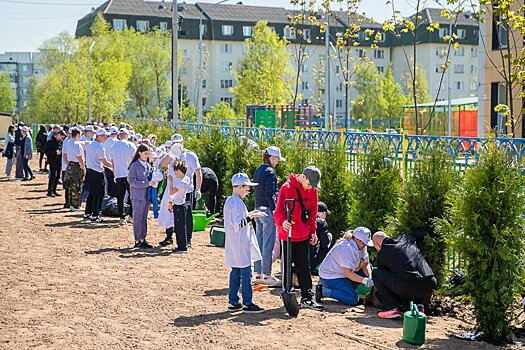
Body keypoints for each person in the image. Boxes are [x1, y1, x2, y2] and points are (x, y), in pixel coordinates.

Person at [274, 165, 323, 311]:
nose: (310, 188)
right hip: (287, 236)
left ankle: (307, 297)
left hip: (303, 235)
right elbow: (278, 213)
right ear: (303, 177)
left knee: (304, 267)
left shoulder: (313, 190)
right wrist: (283, 222)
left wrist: (313, 231)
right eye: (309, 183)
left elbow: (313, 213)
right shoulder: (286, 188)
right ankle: (287, 292)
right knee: (287, 267)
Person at [224, 173, 266, 314]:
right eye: (247, 188)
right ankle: (247, 302)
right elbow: (238, 223)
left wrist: (250, 213)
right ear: (240, 187)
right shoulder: (235, 202)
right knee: (246, 273)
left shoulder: (232, 201)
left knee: (235, 272)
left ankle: (233, 301)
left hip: (235, 243)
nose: (248, 191)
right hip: (239, 244)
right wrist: (251, 215)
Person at [371, 231, 437, 319]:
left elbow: (383, 274)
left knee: (376, 273)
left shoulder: (383, 253)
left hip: (408, 288)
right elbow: (421, 232)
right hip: (430, 284)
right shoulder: (406, 239)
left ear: (377, 244)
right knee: (414, 275)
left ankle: (392, 308)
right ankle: (418, 306)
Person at [161, 134, 202, 247]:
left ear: (183, 143)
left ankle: (187, 239)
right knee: (170, 213)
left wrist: (198, 189)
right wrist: (171, 153)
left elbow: (198, 173)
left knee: (187, 216)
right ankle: (169, 236)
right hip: (172, 190)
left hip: (186, 190)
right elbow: (163, 164)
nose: (176, 145)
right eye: (174, 143)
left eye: (178, 143)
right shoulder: (171, 155)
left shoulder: (190, 155)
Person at [315, 227, 374, 306]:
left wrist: (370, 277)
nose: (365, 245)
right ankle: (321, 291)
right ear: (356, 239)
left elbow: (365, 265)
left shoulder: (362, 245)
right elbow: (348, 273)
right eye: (363, 243)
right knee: (352, 299)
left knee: (370, 267)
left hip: (342, 274)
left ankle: (346, 292)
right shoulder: (346, 248)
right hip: (330, 277)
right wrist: (365, 281)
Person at [253, 146, 285, 286]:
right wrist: (276, 211)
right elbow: (270, 194)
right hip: (267, 211)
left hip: (257, 209)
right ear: (272, 158)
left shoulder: (258, 170)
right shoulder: (270, 172)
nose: (277, 162)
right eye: (277, 159)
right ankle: (267, 274)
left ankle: (259, 273)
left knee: (259, 242)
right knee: (268, 244)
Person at [128, 144, 155, 249]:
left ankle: (143, 238)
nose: (147, 155)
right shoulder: (134, 165)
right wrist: (146, 184)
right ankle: (137, 239)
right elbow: (132, 181)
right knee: (138, 218)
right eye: (145, 153)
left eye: (148, 154)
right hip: (138, 196)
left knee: (143, 218)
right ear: (139, 153)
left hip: (146, 196)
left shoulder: (148, 165)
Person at [83, 128, 113, 223]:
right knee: (98, 194)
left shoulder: (90, 144)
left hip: (90, 171)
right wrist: (114, 166)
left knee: (91, 194)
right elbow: (104, 162)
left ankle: (88, 213)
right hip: (97, 172)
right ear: (99, 136)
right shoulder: (99, 147)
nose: (105, 138)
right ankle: (95, 215)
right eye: (104, 136)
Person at [111, 128, 136, 225]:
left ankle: (122, 217)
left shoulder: (114, 146)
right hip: (128, 174)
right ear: (127, 135)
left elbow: (112, 161)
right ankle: (131, 215)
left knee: (120, 197)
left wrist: (114, 173)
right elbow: (134, 160)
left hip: (118, 174)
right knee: (131, 195)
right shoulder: (131, 145)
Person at [168, 162, 191, 253]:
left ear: (179, 170)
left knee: (179, 227)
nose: (175, 173)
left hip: (178, 206)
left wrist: (171, 182)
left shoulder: (181, 182)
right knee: (182, 226)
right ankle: (183, 245)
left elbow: (171, 192)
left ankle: (182, 247)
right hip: (182, 204)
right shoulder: (186, 179)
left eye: (175, 171)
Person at [64, 128, 86, 211]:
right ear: (77, 135)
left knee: (70, 186)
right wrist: (84, 169)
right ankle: (75, 205)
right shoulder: (77, 144)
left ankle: (71, 204)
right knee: (77, 186)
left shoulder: (69, 142)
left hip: (70, 164)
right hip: (76, 166)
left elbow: (65, 154)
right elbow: (80, 158)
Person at [310, 202, 333, 275]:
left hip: (292, 259)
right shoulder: (321, 223)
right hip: (308, 262)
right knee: (328, 241)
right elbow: (324, 245)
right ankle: (317, 268)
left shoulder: (305, 218)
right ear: (323, 213)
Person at [44, 129, 66, 197]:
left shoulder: (60, 142)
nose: (62, 139)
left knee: (57, 176)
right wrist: (54, 152)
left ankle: (54, 190)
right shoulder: (50, 141)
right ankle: (49, 191)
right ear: (58, 135)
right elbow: (46, 151)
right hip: (52, 161)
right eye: (61, 137)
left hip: (58, 161)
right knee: (53, 176)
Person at [103, 126, 119, 198]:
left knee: (108, 185)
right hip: (114, 166)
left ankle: (108, 202)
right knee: (115, 186)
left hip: (105, 164)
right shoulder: (117, 142)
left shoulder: (105, 141)